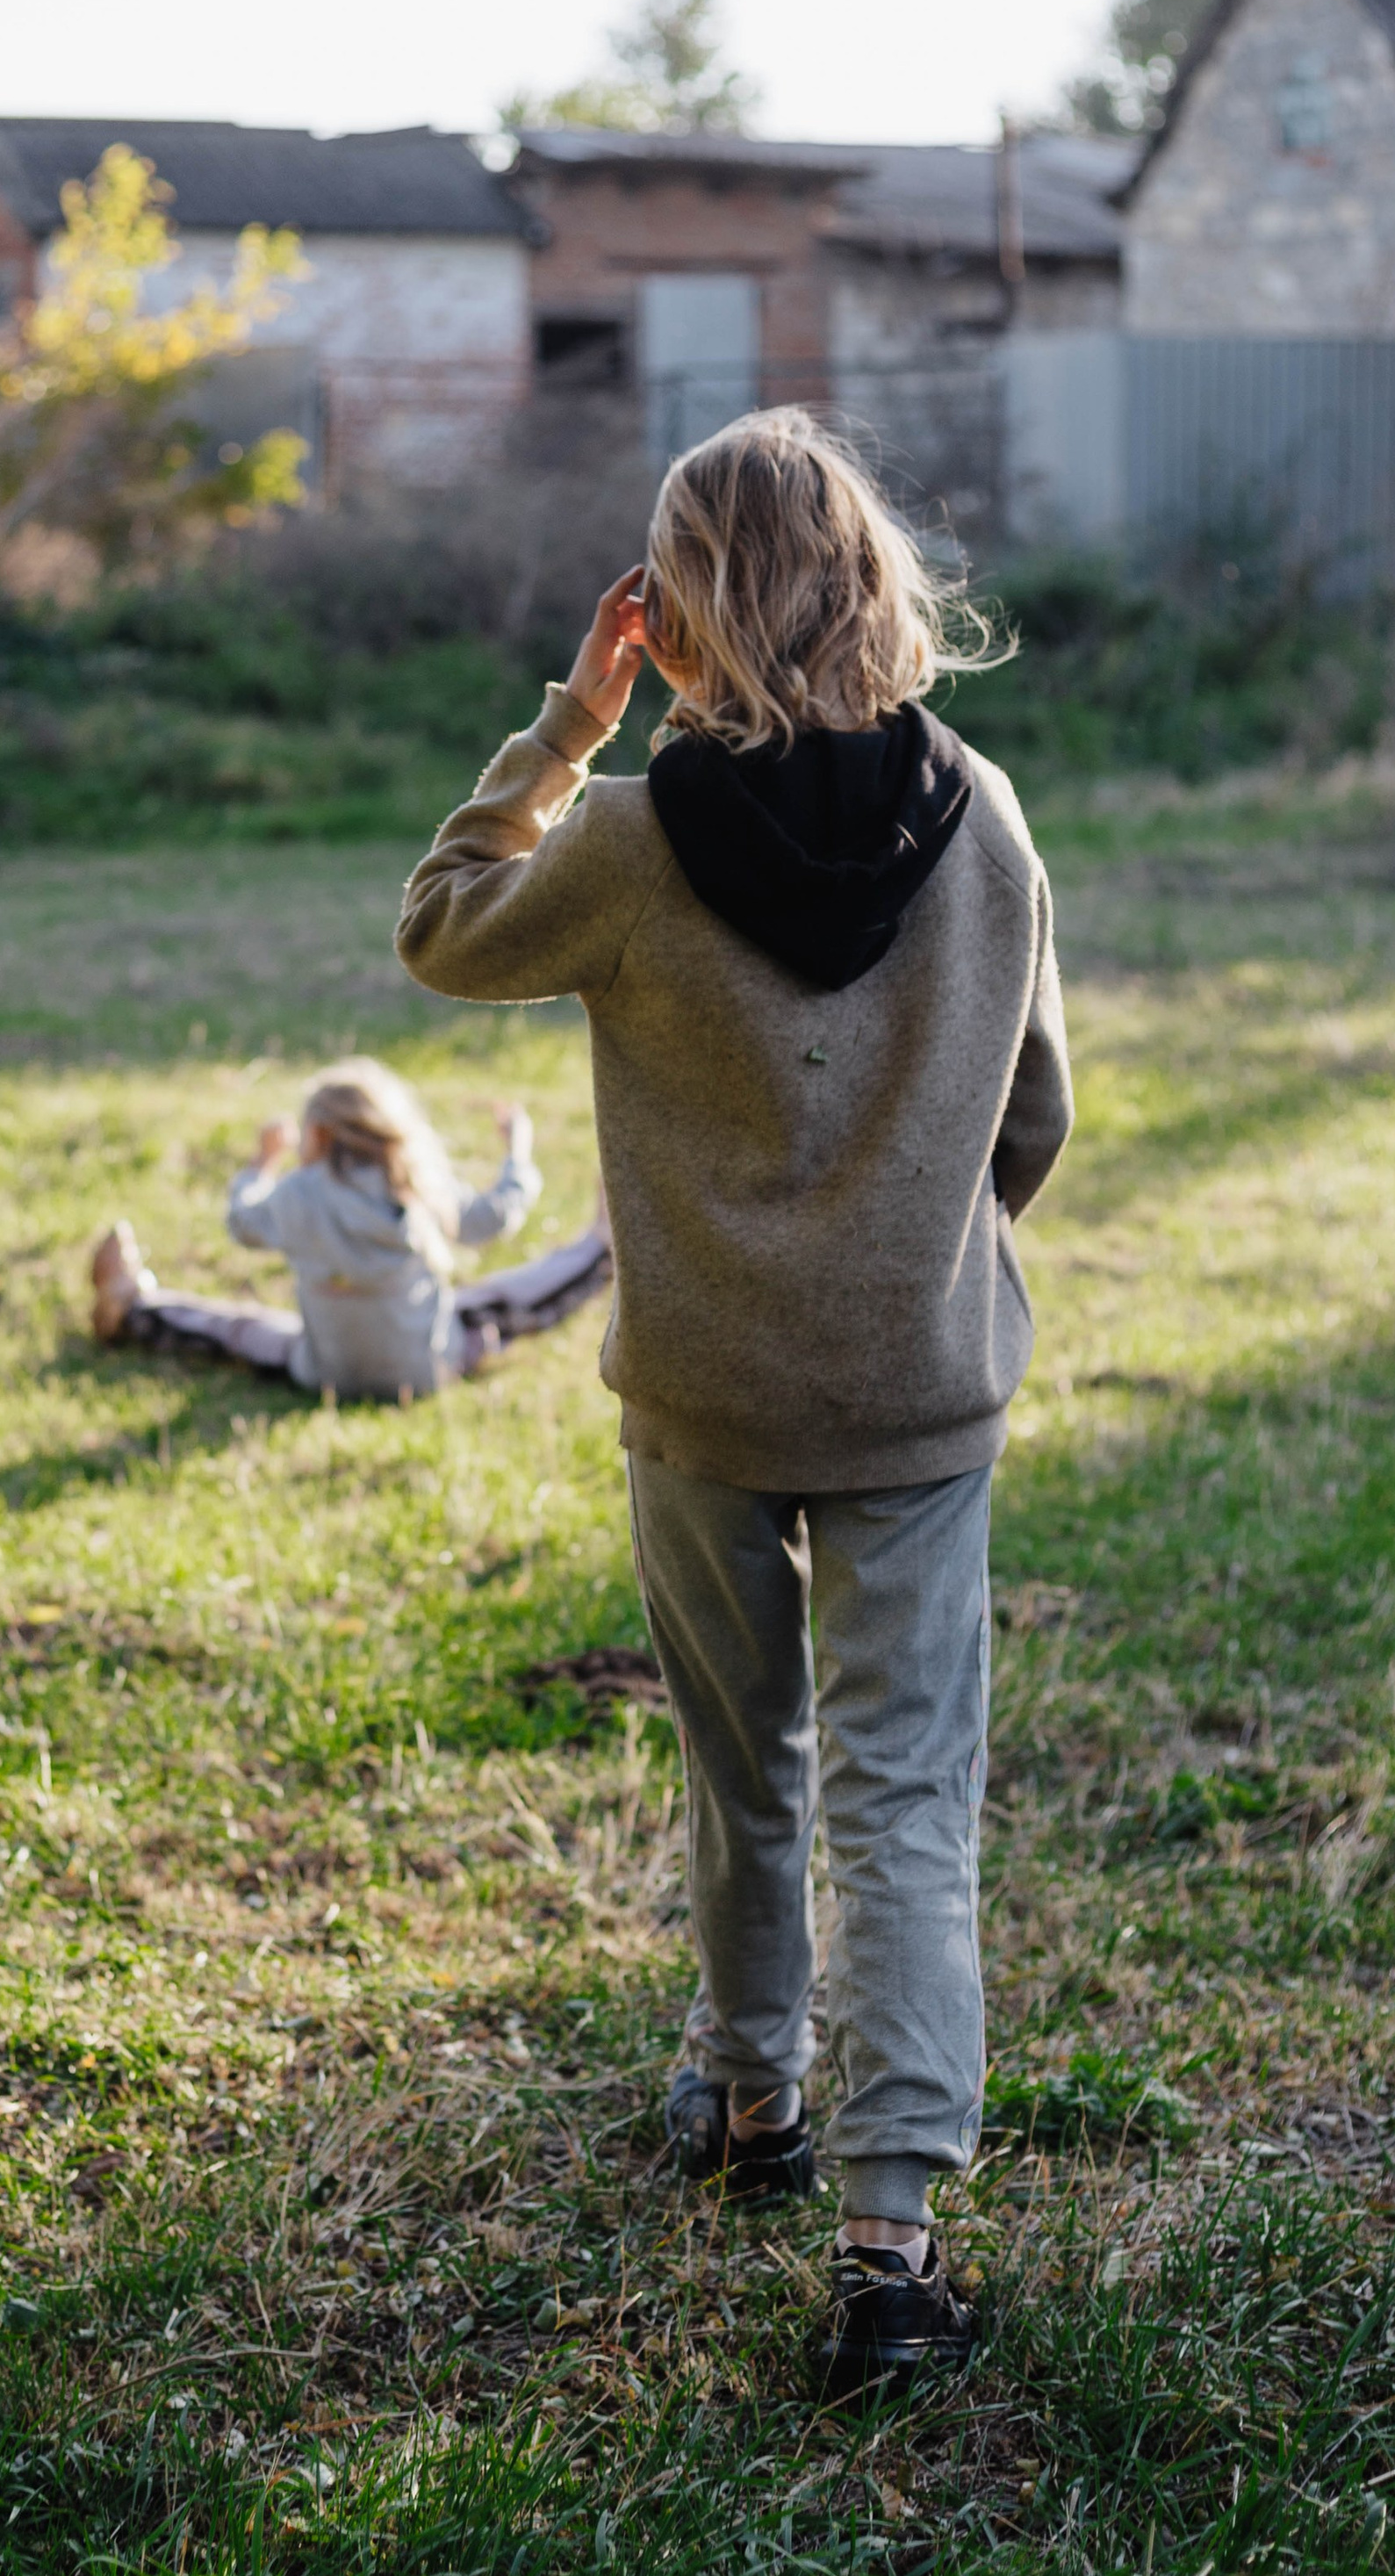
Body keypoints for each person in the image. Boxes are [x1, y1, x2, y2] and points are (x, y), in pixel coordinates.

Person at [394, 408, 1073, 2394]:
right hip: (915, 1385)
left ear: (669, 614)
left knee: (742, 1763)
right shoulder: (989, 817)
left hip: (695, 1383)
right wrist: (913, 1251)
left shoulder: (621, 841)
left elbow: (437, 922)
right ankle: (887, 2247)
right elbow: (1029, 1114)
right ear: (872, 584)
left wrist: (563, 729)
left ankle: (751, 2099)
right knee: (900, 1804)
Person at [89, 1054, 611, 1403]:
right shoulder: (417, 1186)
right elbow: (492, 1218)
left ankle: (133, 1307)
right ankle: (600, 1251)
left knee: (239, 1329)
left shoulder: (295, 1195)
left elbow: (241, 1224)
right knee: (496, 1301)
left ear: (315, 1133)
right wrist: (516, 1153)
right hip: (426, 1370)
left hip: (323, 1371)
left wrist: (260, 1163)